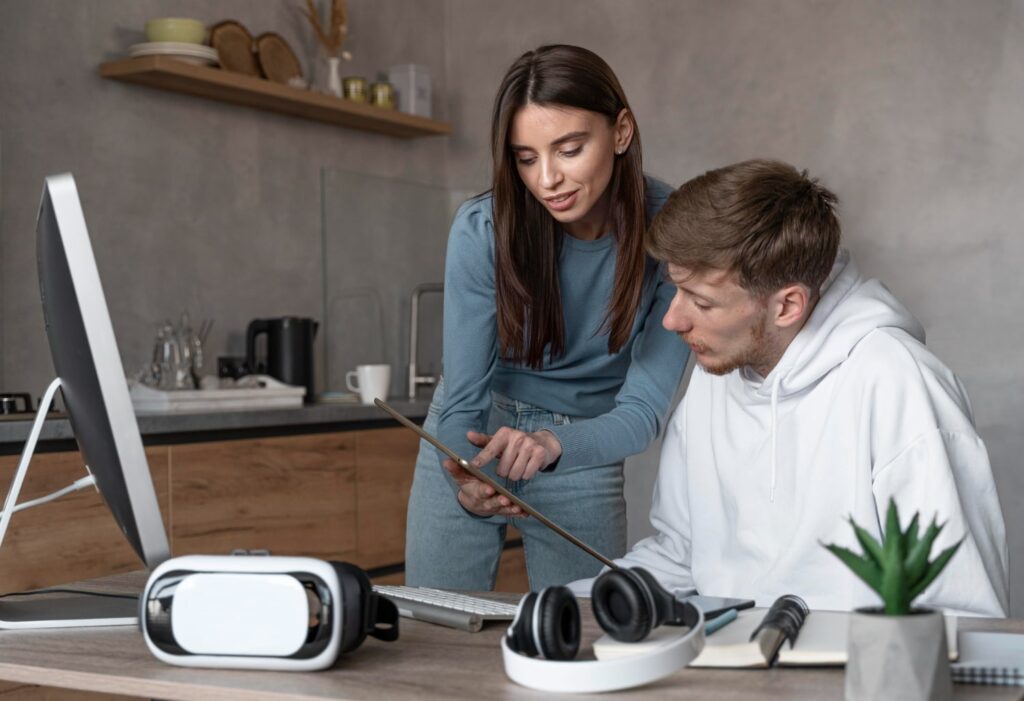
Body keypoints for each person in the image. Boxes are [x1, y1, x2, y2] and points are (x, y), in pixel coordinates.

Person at [570, 159, 1008, 616]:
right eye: (676, 291)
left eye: (701, 302)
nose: (672, 320)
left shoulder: (902, 386)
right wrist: (566, 604)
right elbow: (682, 554)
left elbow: (964, 611)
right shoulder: (717, 368)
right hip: (729, 673)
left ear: (788, 306)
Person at [404, 45, 690, 591]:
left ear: (621, 132)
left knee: (581, 635)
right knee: (432, 630)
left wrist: (556, 446)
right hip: (475, 431)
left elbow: (642, 412)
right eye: (526, 157)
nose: (547, 179)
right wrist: (467, 472)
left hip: (583, 446)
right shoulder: (483, 229)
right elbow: (462, 397)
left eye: (570, 148)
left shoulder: (670, 233)